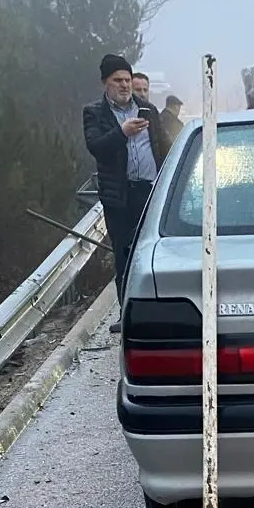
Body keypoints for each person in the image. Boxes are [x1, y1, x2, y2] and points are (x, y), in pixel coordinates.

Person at [84, 54, 172, 333]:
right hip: (119, 196)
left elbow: (162, 148)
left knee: (154, 251)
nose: (123, 85)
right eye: (117, 80)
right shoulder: (94, 113)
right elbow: (96, 147)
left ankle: (159, 310)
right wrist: (122, 132)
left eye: (126, 80)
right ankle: (128, 314)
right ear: (105, 83)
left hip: (149, 192)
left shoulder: (148, 110)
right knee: (124, 255)